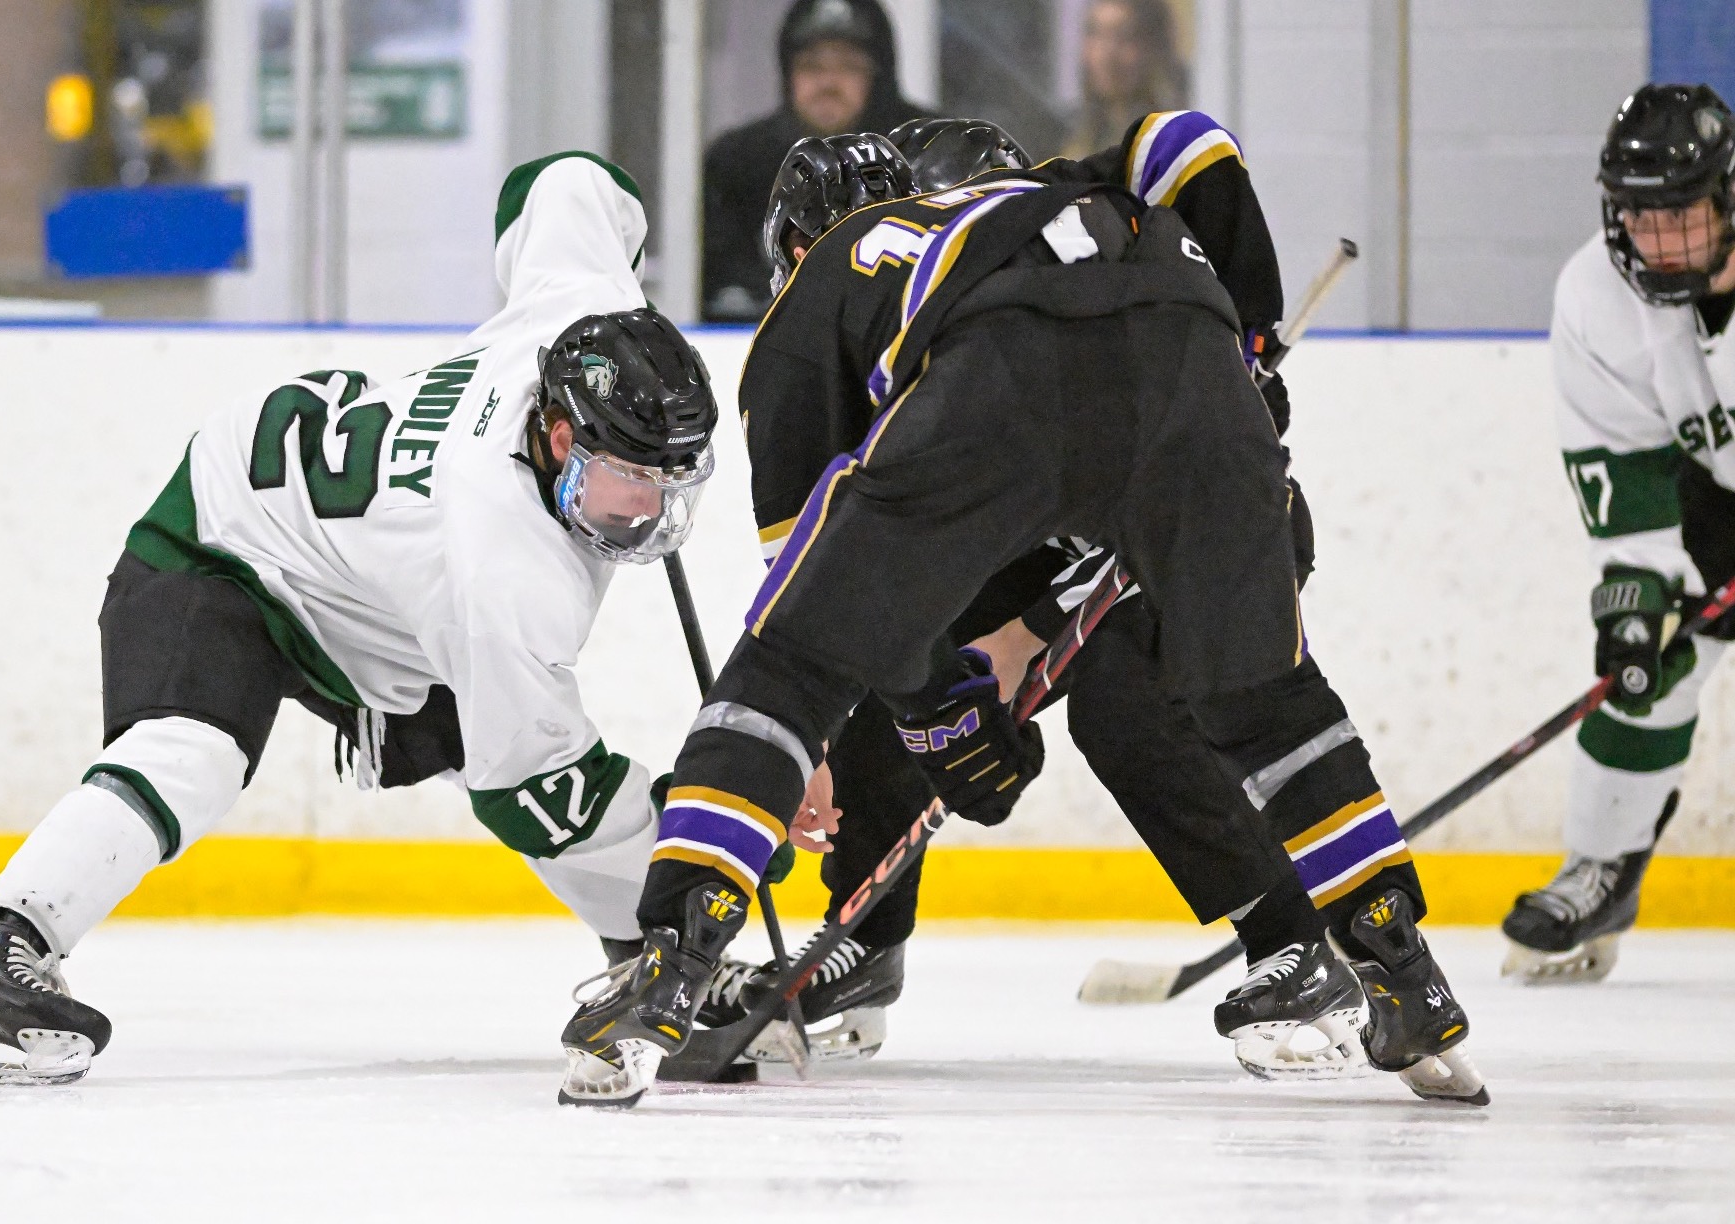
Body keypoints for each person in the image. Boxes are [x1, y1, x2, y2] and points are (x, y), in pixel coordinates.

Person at [557, 114, 1491, 1111]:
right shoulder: (1039, 190)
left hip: (1002, 375)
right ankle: (1404, 971)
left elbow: (823, 622)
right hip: (1191, 351)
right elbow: (1185, 142)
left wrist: (930, 709)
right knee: (1272, 705)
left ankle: (670, 963)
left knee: (790, 671)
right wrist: (1245, 339)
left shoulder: (813, 301)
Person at [0, 152, 720, 1084]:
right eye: (628, 480)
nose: (650, 512)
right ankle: (0, 956)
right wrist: (701, 864)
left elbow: (561, 181)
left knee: (482, 726)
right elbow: (534, 789)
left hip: (365, 580)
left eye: (672, 480)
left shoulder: (581, 316)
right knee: (191, 753)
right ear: (560, 436)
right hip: (224, 537)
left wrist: (627, 273)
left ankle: (638, 961)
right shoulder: (504, 571)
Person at [705, 117, 1360, 1083]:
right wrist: (813, 738)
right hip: (1033, 537)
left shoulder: (1025, 288)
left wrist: (1028, 633)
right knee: (899, 659)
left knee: (1126, 707)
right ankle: (865, 940)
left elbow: (1148, 488)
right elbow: (840, 593)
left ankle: (1294, 941)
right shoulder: (879, 334)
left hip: (1192, 553)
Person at [1501, 83, 1735, 983]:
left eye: (1682, 215)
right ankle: (1602, 866)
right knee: (1648, 666)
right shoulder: (1595, 298)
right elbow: (1627, 478)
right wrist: (1635, 603)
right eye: (1641, 216)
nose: (1660, 241)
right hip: (1707, 491)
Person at [699, 0, 933, 322]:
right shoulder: (735, 163)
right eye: (812, 66)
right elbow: (720, 289)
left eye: (849, 66)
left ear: (878, 76)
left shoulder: (921, 154)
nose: (828, 84)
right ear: (788, 72)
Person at [1057, 0, 1188, 161]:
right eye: (1096, 34)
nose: (1107, 54)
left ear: (1154, 48)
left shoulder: (1173, 140)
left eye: (1124, 36)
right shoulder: (1068, 136)